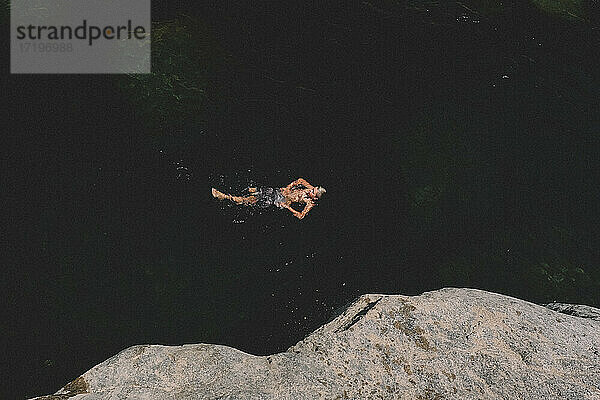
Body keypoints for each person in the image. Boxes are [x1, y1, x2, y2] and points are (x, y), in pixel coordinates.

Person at [212, 178, 326, 219]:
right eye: (312, 189)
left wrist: (287, 207)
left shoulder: (311, 203)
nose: (310, 190)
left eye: (312, 192)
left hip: (280, 201)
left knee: (251, 200)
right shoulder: (312, 188)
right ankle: (234, 190)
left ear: (315, 198)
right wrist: (288, 187)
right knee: (253, 189)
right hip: (279, 191)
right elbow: (300, 180)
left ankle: (224, 197)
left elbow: (301, 216)